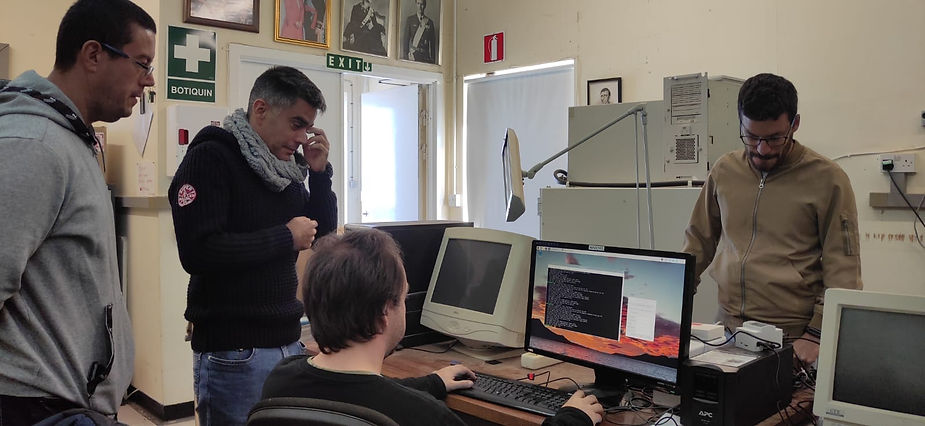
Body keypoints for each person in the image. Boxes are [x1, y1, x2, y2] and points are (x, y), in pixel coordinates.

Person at [262, 229, 604, 426]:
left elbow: (353, 391)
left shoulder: (282, 377)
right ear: (385, 312)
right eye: (403, 297)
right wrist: (570, 420)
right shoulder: (423, 418)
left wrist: (431, 382)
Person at [0, 0, 155, 423]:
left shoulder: (69, 139)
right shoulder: (32, 146)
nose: (150, 79)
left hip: (68, 406)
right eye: (141, 64)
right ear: (93, 54)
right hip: (37, 409)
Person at [168, 66, 337, 426]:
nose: (302, 137)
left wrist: (320, 176)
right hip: (233, 349)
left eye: (308, 126)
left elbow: (318, 233)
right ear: (260, 110)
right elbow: (198, 251)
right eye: (296, 124)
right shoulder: (212, 157)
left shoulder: (286, 168)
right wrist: (284, 237)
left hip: (286, 341)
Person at [681, 73, 862, 365]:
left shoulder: (828, 180)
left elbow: (844, 270)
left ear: (795, 124)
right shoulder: (725, 171)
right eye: (751, 137)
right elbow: (698, 241)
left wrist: (816, 334)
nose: (762, 149)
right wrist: (675, 299)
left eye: (775, 138)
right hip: (728, 331)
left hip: (793, 338)